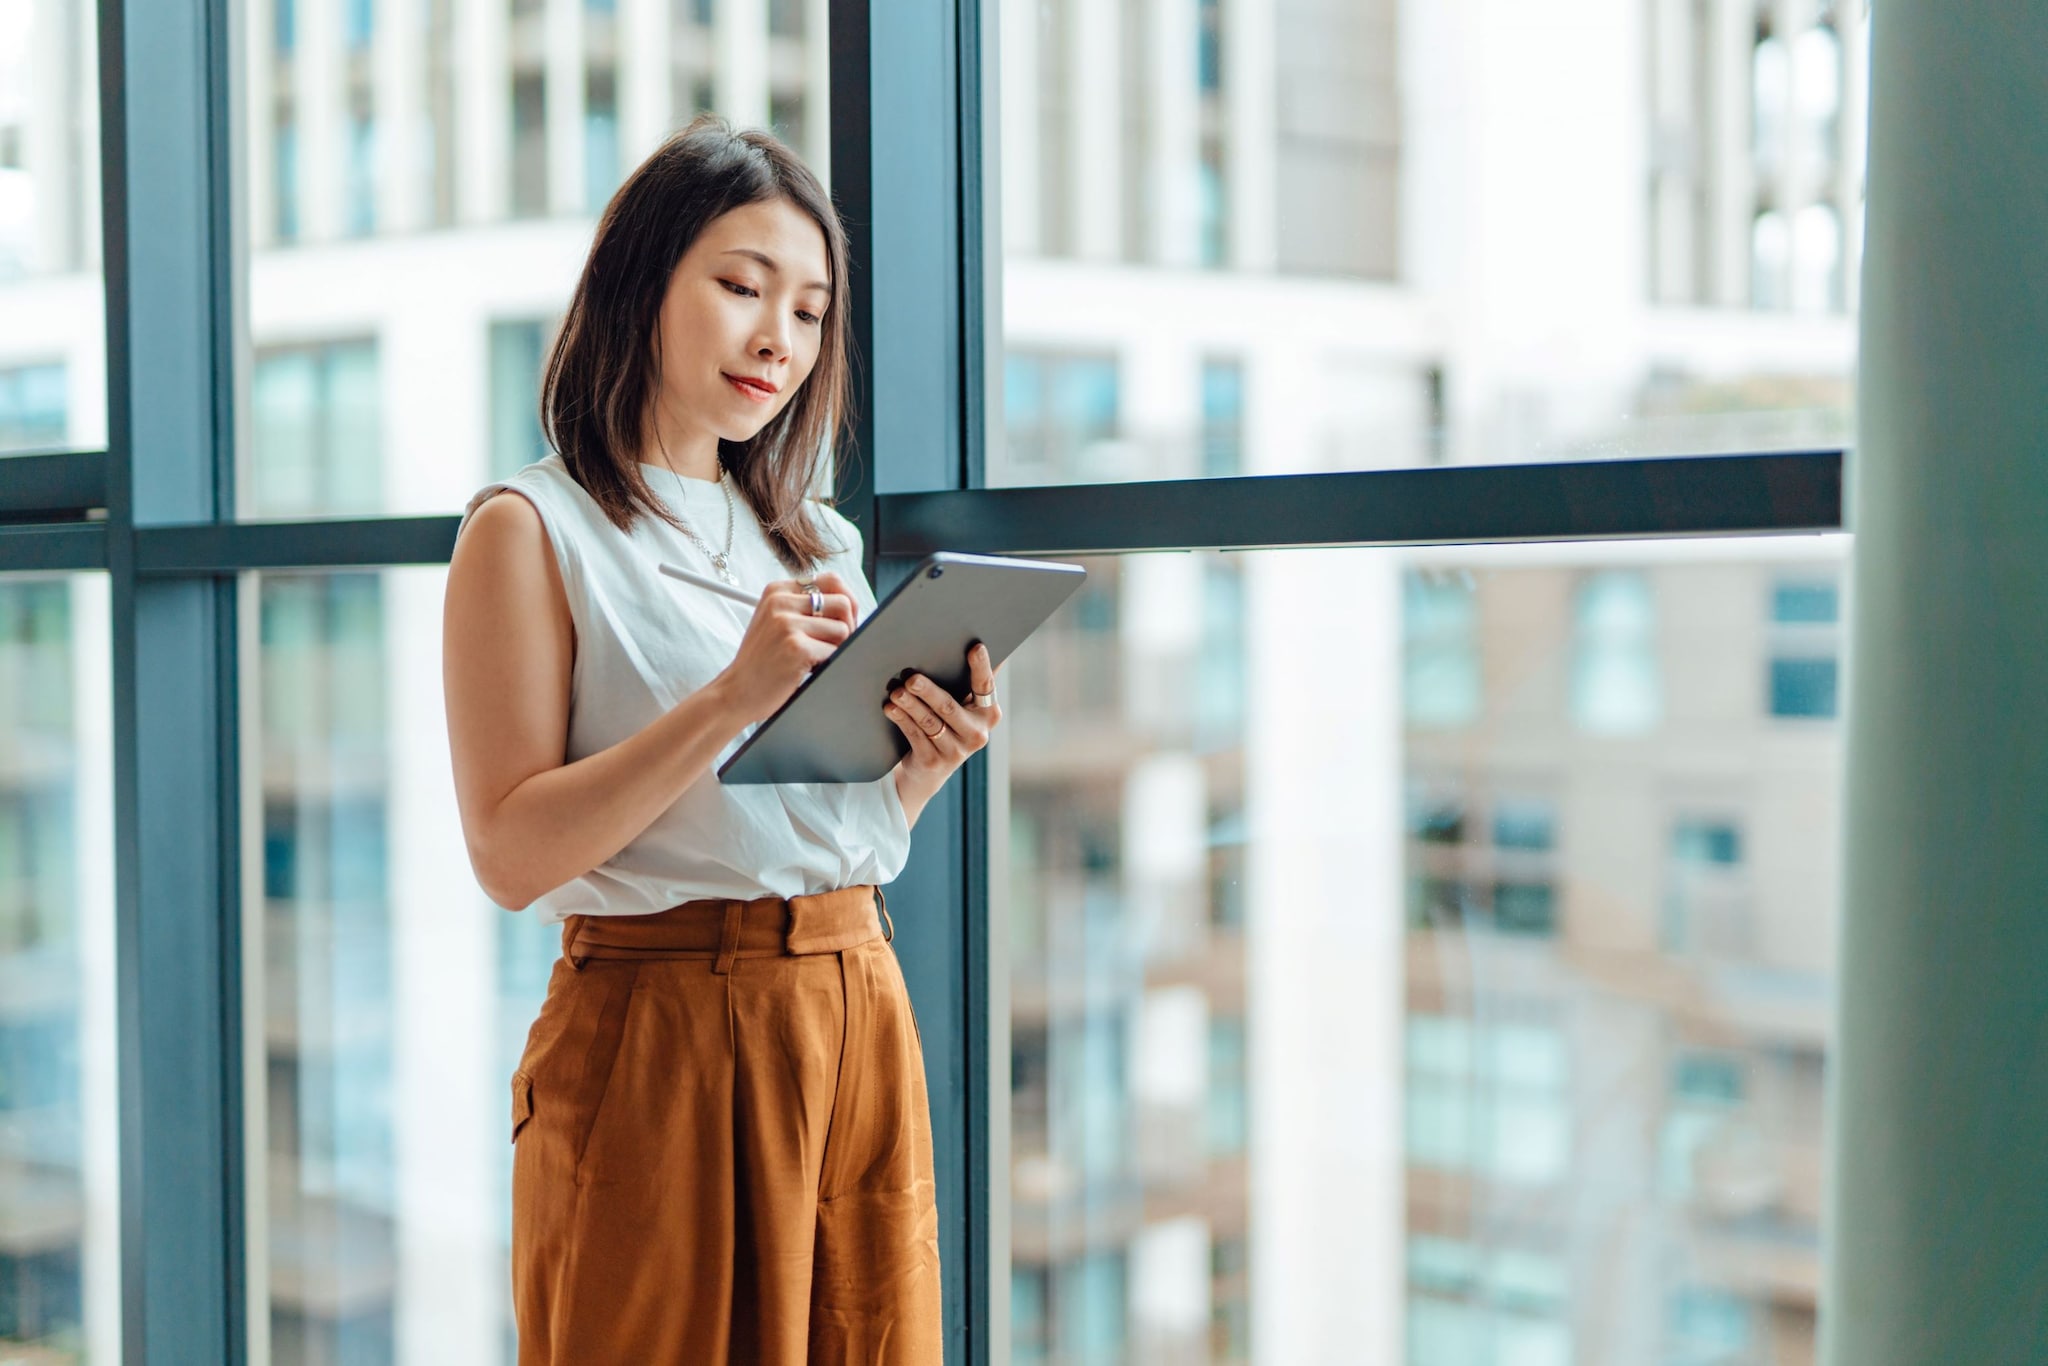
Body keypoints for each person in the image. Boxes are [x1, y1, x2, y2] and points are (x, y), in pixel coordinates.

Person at [441, 114, 998, 1365]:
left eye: (807, 311)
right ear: (640, 283)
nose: (776, 340)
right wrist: (729, 696)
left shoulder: (814, 538)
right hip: (661, 1031)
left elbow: (794, 831)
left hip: (852, 1001)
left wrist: (915, 771)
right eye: (741, 287)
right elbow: (510, 854)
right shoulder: (529, 531)